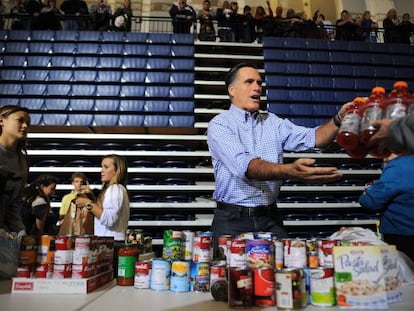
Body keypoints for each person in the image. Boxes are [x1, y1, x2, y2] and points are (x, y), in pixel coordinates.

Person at [207, 63, 346, 252]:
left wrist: (339, 118)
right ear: (232, 90)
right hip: (232, 220)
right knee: (229, 278)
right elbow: (246, 167)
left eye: (259, 82)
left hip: (269, 217)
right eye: (249, 82)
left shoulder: (272, 122)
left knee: (281, 276)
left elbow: (315, 138)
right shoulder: (220, 125)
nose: (257, 87)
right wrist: (288, 171)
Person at [74, 154, 130, 276]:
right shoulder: (117, 189)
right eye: (102, 167)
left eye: (106, 167)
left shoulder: (114, 189)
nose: (102, 171)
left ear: (117, 170)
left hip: (111, 245)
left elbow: (109, 219)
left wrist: (88, 204)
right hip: (112, 244)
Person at [359, 152, 414, 262]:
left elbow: (370, 201)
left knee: (403, 275)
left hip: (403, 238)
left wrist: (368, 190)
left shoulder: (399, 166)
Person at [0, 105, 30, 238]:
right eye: (20, 120)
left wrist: (20, 230)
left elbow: (14, 202)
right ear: (1, 121)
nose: (25, 126)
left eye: (27, 123)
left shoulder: (22, 161)